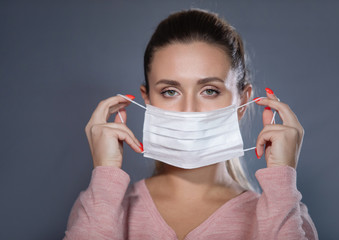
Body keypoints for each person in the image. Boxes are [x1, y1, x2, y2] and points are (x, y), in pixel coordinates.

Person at [64, 9, 318, 240]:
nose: (189, 111)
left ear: (243, 100)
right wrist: (105, 176)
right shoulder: (99, 206)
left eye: (209, 91)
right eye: (170, 92)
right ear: (147, 98)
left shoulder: (287, 215)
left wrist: (281, 181)